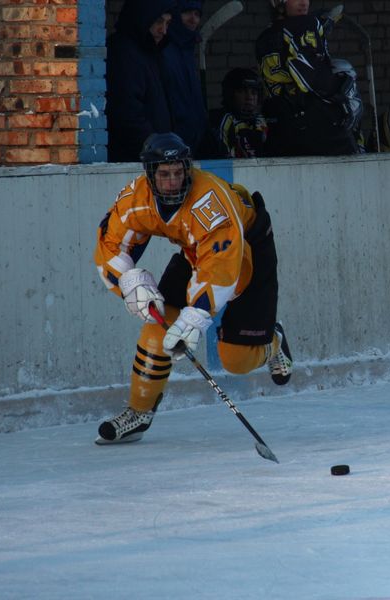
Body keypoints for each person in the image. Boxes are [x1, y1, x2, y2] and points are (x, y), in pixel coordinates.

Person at [93, 132, 293, 444]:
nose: (173, 182)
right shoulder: (136, 199)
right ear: (150, 176)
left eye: (178, 173)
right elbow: (110, 245)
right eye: (164, 175)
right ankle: (139, 412)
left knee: (236, 361)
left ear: (187, 169)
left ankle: (273, 341)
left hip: (246, 249)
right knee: (157, 326)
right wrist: (129, 283)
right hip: (196, 252)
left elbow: (222, 267)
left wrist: (194, 317)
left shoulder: (209, 201)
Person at [254, 0, 359, 156]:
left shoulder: (264, 36)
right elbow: (313, 79)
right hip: (314, 128)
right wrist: (342, 92)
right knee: (353, 169)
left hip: (277, 129)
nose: (304, 2)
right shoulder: (305, 23)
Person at [106, 0, 175, 162]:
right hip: (134, 159)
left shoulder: (151, 52)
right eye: (159, 21)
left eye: (168, 23)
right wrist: (155, 148)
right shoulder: (124, 53)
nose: (163, 30)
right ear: (143, 18)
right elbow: (126, 111)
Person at [162, 0, 209, 154]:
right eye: (187, 12)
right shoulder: (164, 50)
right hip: (172, 145)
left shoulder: (188, 51)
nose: (193, 19)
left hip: (193, 142)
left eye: (197, 14)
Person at [205, 68, 270, 158]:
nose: (249, 97)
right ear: (230, 94)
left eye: (254, 92)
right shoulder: (223, 119)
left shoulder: (261, 120)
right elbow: (222, 157)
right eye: (242, 91)